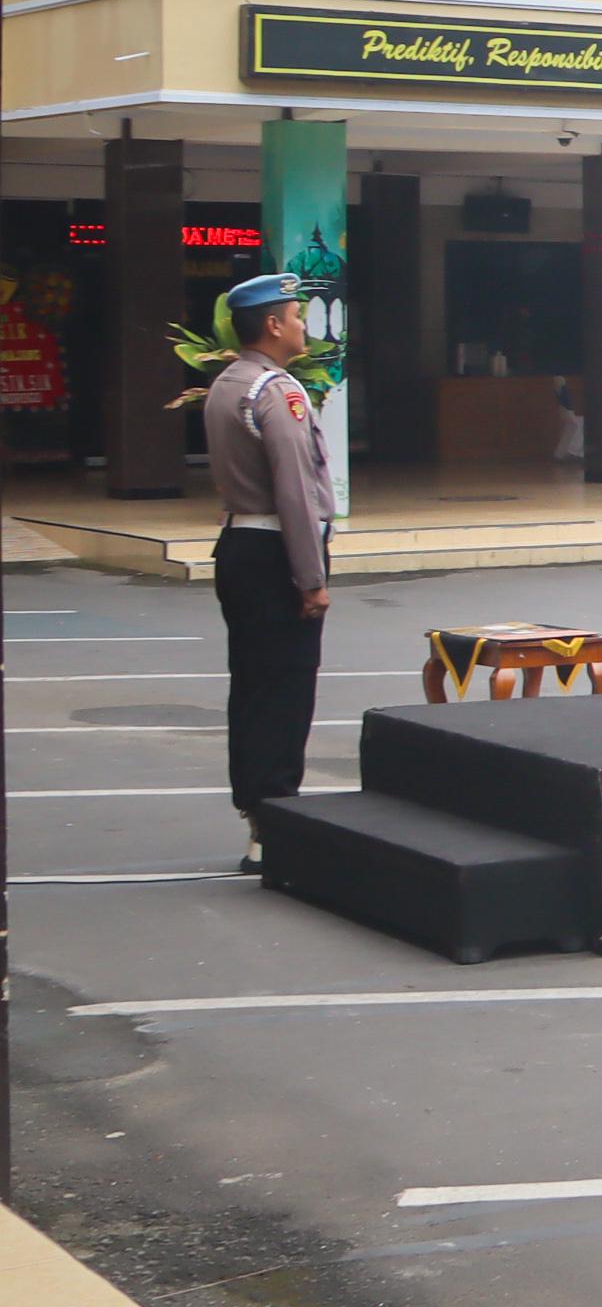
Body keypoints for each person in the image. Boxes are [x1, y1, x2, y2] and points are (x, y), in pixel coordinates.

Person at [205, 271, 333, 869]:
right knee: (285, 689)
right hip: (275, 552)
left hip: (240, 547)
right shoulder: (275, 391)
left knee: (253, 686)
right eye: (297, 314)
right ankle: (275, 816)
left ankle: (257, 811)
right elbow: (296, 493)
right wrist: (311, 579)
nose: (304, 324)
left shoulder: (228, 383)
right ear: (274, 325)